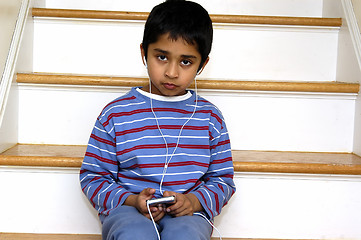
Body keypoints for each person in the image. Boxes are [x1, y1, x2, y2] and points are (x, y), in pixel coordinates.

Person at [80, 0, 236, 239]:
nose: (172, 72)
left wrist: (193, 201)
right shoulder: (115, 113)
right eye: (162, 57)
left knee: (186, 235)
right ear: (144, 52)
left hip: (188, 214)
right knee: (134, 234)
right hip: (129, 209)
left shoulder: (209, 117)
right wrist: (132, 200)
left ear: (202, 65)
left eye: (186, 61)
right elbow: (94, 176)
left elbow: (222, 180)